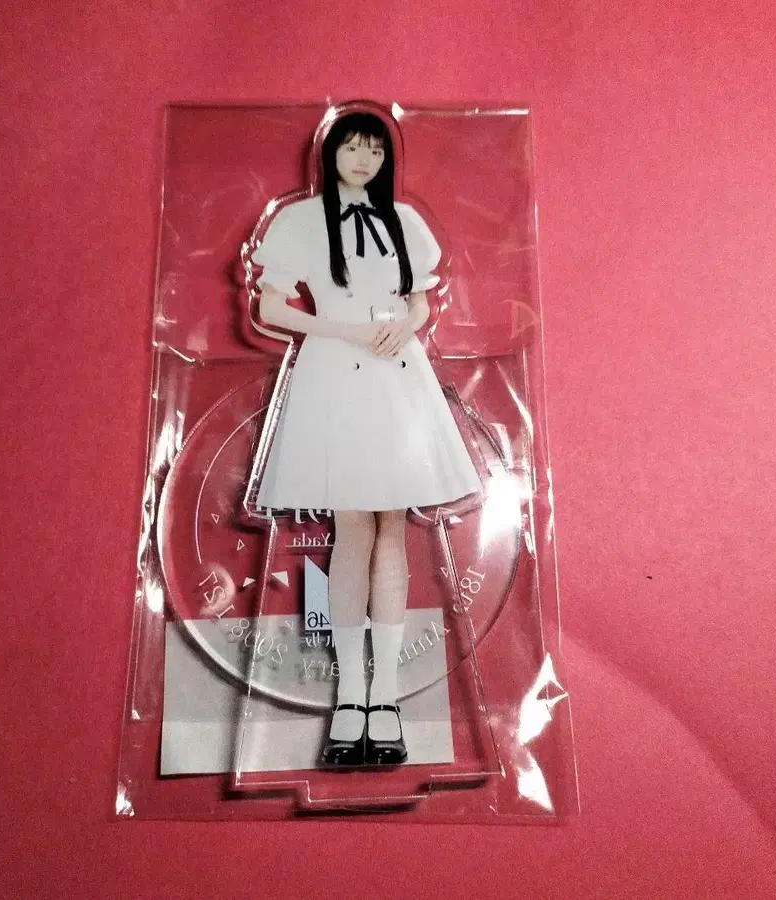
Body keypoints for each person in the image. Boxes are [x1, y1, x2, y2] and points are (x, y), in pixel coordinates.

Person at [250, 109, 481, 766]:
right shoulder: (300, 220)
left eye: (375, 150)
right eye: (352, 147)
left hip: (396, 375)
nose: (363, 159)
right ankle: (350, 695)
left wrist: (406, 323)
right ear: (331, 153)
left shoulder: (404, 222)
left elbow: (420, 298)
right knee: (353, 527)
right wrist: (347, 330)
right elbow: (269, 306)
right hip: (335, 371)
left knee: (391, 528)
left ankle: (386, 698)